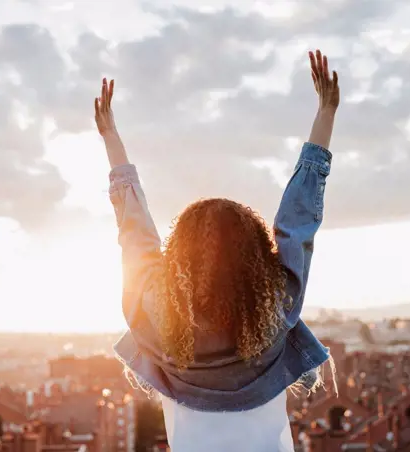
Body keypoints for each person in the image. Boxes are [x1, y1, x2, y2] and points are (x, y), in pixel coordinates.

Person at [94, 49, 340, 452]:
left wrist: (111, 141)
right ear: (256, 256)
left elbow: (135, 234)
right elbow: (297, 223)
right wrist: (325, 115)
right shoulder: (277, 306)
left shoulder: (160, 313)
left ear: (180, 256)